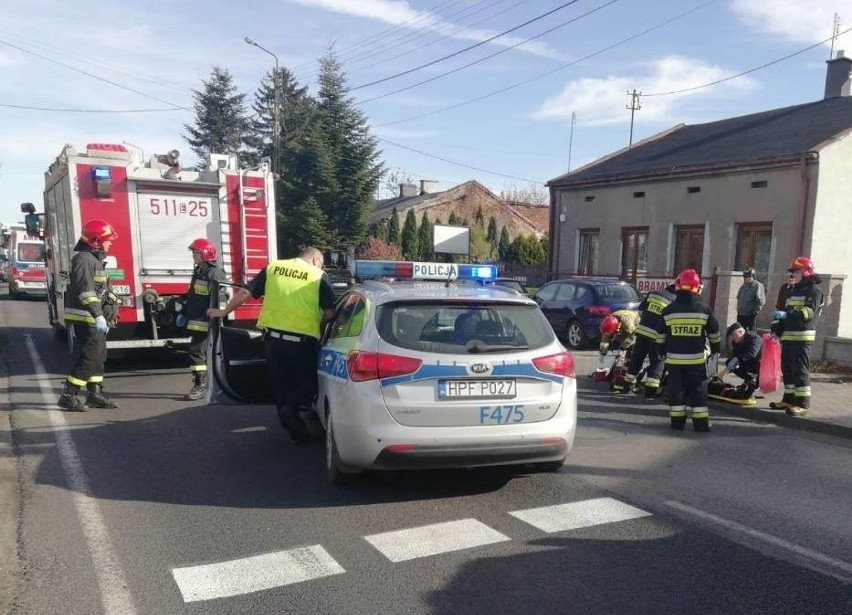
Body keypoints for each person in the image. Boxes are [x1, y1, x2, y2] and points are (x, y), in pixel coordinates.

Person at [207, 247, 336, 443]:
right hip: (302, 342)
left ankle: (295, 431)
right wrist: (318, 326)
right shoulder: (318, 275)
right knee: (311, 381)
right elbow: (329, 313)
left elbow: (245, 292)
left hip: (272, 341)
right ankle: (291, 408)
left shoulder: (274, 268)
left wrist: (223, 312)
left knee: (280, 386)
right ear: (316, 260)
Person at [58, 219, 120, 411]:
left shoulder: (94, 260)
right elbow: (86, 292)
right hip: (87, 317)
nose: (110, 243)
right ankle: (69, 394)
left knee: (99, 357)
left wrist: (110, 311)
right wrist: (98, 315)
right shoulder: (83, 260)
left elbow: (102, 290)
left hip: (95, 317)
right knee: (89, 357)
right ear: (96, 241)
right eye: (107, 240)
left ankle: (95, 394)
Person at [656, 269, 721, 432]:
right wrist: (715, 350)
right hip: (696, 360)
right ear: (697, 288)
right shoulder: (704, 309)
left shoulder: (668, 310)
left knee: (676, 390)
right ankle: (701, 424)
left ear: (678, 287)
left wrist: (662, 351)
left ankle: (677, 423)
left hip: (674, 361)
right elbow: (714, 333)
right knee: (697, 391)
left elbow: (660, 336)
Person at [769, 256, 824, 416]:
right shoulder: (795, 290)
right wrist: (776, 331)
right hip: (788, 337)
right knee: (788, 370)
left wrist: (787, 315)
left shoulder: (814, 290)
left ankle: (802, 404)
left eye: (796, 271)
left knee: (800, 370)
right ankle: (789, 399)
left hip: (802, 337)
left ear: (806, 272)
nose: (793, 275)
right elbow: (784, 313)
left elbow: (809, 313)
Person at [178, 238, 226, 401]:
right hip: (196, 318)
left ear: (205, 254)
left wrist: (216, 314)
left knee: (197, 352)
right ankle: (204, 382)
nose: (193, 256)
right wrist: (183, 312)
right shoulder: (199, 270)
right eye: (193, 252)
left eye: (195, 253)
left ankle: (201, 384)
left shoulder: (214, 272)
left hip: (206, 320)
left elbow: (222, 297)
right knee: (198, 352)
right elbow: (193, 296)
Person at [625, 283, 675, 398]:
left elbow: (641, 309)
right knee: (657, 363)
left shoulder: (653, 294)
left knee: (636, 359)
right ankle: (650, 392)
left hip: (642, 333)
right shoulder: (675, 301)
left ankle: (627, 385)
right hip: (657, 337)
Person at [598, 309, 640, 393]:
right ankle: (618, 361)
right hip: (621, 327)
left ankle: (628, 367)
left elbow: (633, 338)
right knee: (616, 342)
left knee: (630, 348)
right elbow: (605, 340)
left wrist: (624, 349)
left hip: (634, 325)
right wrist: (603, 353)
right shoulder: (608, 322)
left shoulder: (628, 323)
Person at [718, 322, 763, 399]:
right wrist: (725, 370)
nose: (732, 338)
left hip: (761, 364)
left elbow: (751, 353)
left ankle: (757, 384)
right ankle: (750, 380)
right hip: (749, 363)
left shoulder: (754, 338)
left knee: (758, 362)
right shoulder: (735, 342)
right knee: (729, 362)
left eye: (734, 335)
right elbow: (734, 356)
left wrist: (736, 359)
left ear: (741, 332)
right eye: (731, 336)